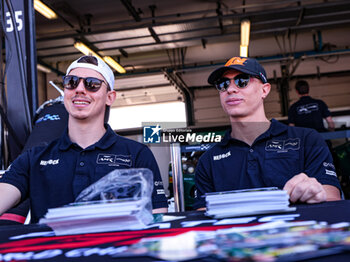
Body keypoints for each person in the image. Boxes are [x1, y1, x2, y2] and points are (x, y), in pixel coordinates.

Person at [0, 55, 168, 223]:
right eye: (72, 82)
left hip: (114, 249)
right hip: (53, 249)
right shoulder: (34, 158)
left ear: (110, 97)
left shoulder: (136, 154)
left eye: (92, 84)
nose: (79, 89)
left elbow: (157, 219)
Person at [193, 56, 342, 210]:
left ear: (264, 90)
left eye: (242, 81)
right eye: (223, 84)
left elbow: (332, 197)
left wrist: (316, 192)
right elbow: (202, 215)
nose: (230, 89)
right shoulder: (208, 161)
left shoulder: (307, 140)